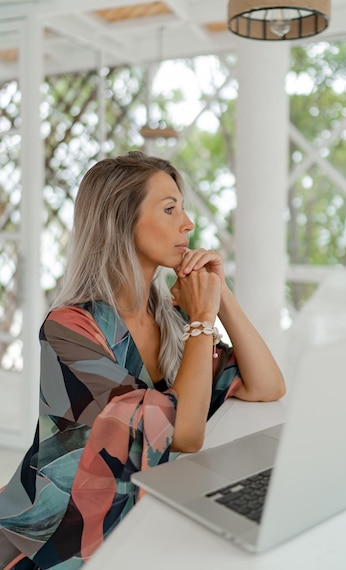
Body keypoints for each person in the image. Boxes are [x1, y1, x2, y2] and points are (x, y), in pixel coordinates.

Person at [0, 151, 285, 569]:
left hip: (141, 522)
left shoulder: (171, 320)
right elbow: (185, 433)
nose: (187, 224)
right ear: (120, 220)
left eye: (183, 209)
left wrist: (219, 295)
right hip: (56, 545)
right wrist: (203, 318)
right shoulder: (70, 331)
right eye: (169, 209)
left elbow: (267, 385)